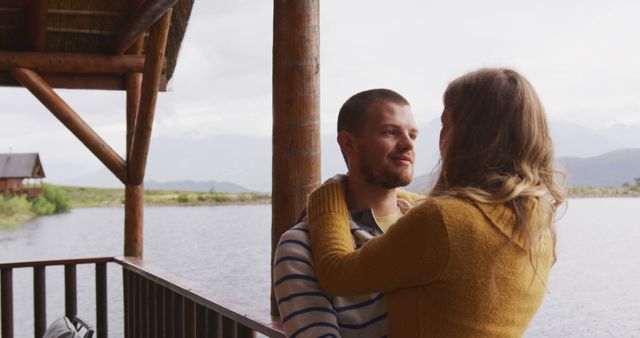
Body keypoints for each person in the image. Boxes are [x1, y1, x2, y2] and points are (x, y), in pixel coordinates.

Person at [306, 68, 566, 337]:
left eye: (446, 123)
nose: (440, 138)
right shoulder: (537, 226)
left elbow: (336, 273)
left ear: (469, 134)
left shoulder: (444, 221)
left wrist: (328, 196)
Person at [273, 89, 423, 337]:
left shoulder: (432, 223)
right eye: (391, 132)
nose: (408, 144)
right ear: (349, 143)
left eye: (413, 135)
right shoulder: (300, 247)